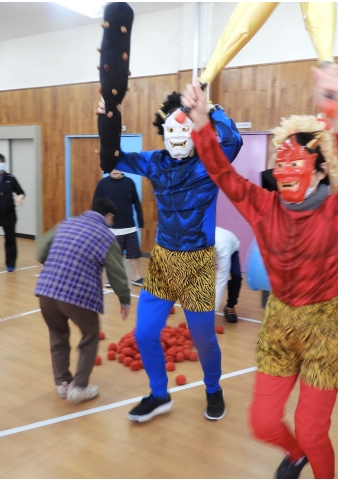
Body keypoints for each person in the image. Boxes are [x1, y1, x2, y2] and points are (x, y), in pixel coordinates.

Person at [182, 64, 338, 479]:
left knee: (313, 431)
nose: (284, 171)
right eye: (280, 163)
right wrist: (201, 123)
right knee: (263, 423)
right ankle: (295, 455)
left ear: (321, 169)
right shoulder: (264, 207)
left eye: (295, 162)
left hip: (324, 329)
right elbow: (223, 174)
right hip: (278, 322)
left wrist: (336, 112)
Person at [97, 91, 242, 423]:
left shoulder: (210, 161)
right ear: (163, 131)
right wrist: (107, 119)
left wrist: (212, 110)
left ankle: (213, 388)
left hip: (197, 264)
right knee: (145, 333)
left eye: (184, 127)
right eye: (171, 129)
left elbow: (233, 141)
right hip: (162, 262)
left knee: (203, 339)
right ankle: (159, 394)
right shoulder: (155, 162)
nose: (177, 135)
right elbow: (112, 159)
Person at [35, 197, 131, 404]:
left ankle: (63, 383)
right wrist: (124, 299)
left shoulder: (66, 223)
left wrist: (56, 266)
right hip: (76, 295)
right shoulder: (106, 236)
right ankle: (79, 387)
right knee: (90, 334)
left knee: (58, 335)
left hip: (46, 291)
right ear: (109, 216)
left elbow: (41, 252)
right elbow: (116, 273)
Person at [93, 169, 144, 286]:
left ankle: (137, 277)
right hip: (111, 229)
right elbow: (96, 205)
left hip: (130, 227)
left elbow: (137, 203)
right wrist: (96, 223)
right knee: (114, 257)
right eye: (112, 167)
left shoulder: (129, 182)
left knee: (134, 254)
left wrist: (140, 222)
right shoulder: (102, 184)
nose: (114, 170)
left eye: (117, 167)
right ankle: (113, 280)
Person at [214, 226, 241, 322]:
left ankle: (230, 306)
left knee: (236, 276)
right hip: (215, 245)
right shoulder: (195, 245)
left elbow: (221, 282)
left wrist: (212, 312)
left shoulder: (223, 252)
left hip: (230, 245)